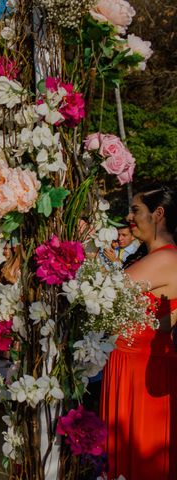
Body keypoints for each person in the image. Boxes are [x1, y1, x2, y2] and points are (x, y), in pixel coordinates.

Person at [101, 185, 177, 479]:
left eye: (135, 210)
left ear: (158, 214)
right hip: (128, 365)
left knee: (139, 459)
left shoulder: (165, 259)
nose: (129, 217)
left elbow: (101, 294)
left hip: (140, 372)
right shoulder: (152, 258)